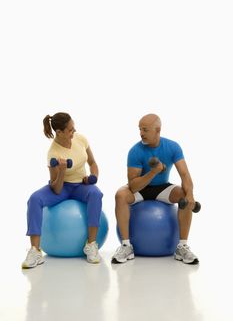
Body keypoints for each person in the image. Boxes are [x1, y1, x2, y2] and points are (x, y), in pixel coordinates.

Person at [111, 113, 199, 265]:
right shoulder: (135, 151)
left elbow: (185, 175)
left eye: (145, 130)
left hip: (162, 188)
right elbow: (132, 185)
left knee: (184, 195)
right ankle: (126, 246)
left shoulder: (172, 147)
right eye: (140, 129)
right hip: (140, 188)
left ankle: (182, 246)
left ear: (157, 130)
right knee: (120, 195)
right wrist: (153, 172)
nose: (141, 133)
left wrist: (190, 195)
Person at [22, 112, 103, 268]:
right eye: (70, 130)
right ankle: (35, 251)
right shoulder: (53, 152)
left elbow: (93, 163)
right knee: (34, 199)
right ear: (59, 132)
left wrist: (93, 176)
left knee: (96, 194)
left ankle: (91, 245)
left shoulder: (81, 139)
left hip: (81, 185)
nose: (74, 132)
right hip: (62, 186)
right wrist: (61, 171)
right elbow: (57, 189)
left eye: (74, 128)